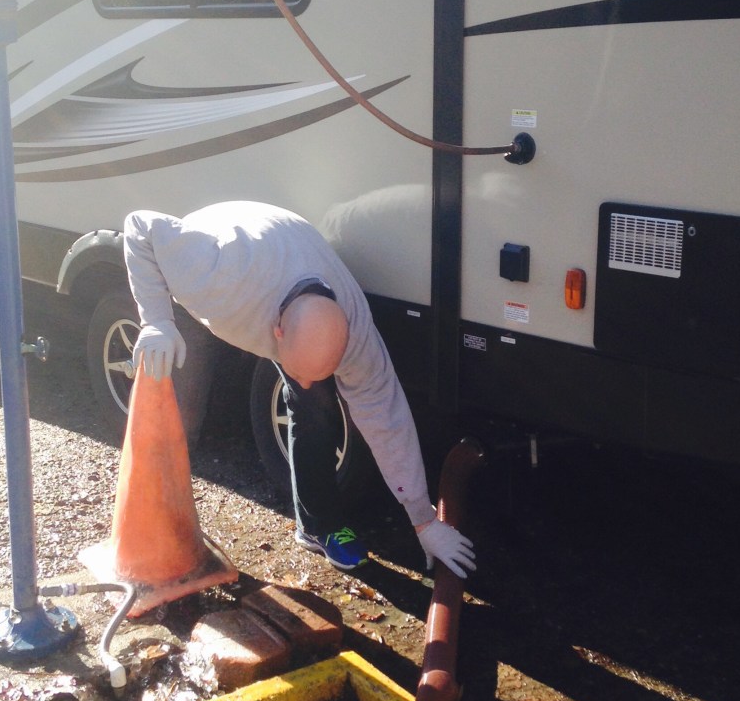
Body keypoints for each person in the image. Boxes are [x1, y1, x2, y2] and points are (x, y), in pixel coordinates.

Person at [122, 200, 475, 579]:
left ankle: (316, 526)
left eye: (319, 371)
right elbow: (141, 225)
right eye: (302, 371)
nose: (306, 383)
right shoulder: (211, 271)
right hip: (234, 252)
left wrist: (424, 520)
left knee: (314, 405)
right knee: (188, 389)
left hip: (290, 254)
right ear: (276, 332)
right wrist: (156, 320)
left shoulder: (357, 332)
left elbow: (386, 419)